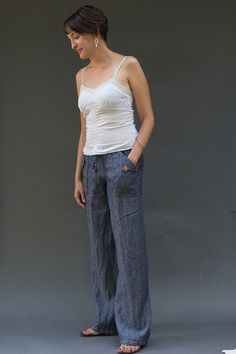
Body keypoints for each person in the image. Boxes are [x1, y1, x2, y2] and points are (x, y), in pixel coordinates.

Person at [64, 5, 155, 353]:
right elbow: (84, 129)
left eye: (75, 37)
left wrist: (131, 160)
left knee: (129, 247)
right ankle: (107, 319)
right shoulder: (80, 77)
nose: (73, 45)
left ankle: (133, 330)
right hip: (91, 165)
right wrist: (77, 175)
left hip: (121, 161)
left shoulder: (127, 65)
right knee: (100, 245)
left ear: (94, 32)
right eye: (70, 39)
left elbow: (148, 118)